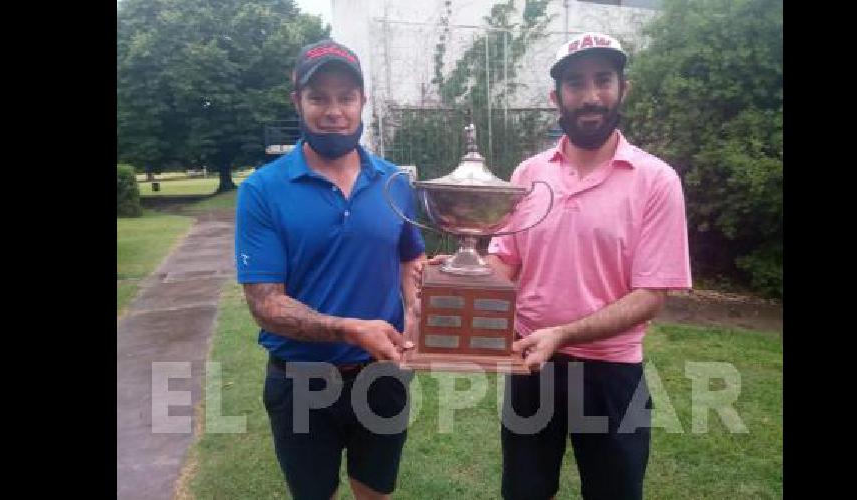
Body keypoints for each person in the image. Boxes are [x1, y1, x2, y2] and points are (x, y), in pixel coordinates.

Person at [432, 32, 693, 499]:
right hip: (531, 367)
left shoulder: (656, 180)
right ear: (557, 97)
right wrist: (456, 279)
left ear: (622, 88)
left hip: (612, 374)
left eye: (603, 80)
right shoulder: (528, 175)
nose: (590, 96)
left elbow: (652, 294)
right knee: (524, 491)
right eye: (575, 83)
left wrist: (562, 335)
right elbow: (507, 261)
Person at [235, 39, 425, 500]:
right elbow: (266, 304)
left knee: (375, 491)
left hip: (380, 376)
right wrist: (348, 329)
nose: (334, 110)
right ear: (297, 101)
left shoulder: (395, 183)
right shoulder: (263, 190)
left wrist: (417, 314)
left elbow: (409, 257)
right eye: (319, 97)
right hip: (300, 381)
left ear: (363, 102)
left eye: (346, 96)